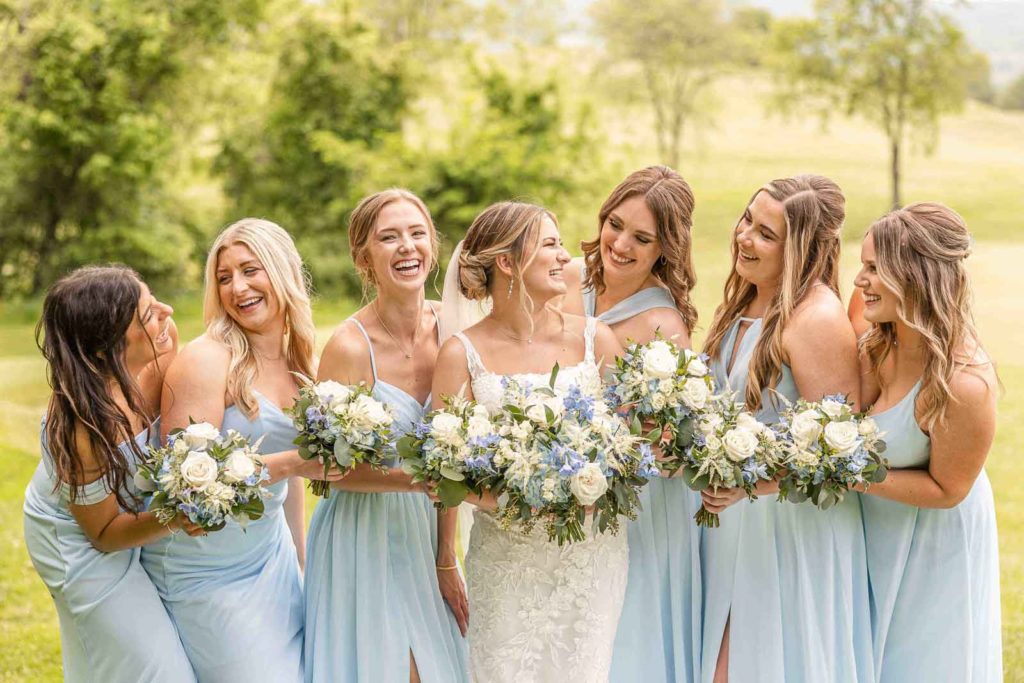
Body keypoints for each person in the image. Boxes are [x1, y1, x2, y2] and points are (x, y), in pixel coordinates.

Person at [432, 201, 625, 682]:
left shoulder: (595, 341)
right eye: (551, 245)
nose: (566, 257)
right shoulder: (462, 353)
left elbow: (631, 446)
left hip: (590, 555)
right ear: (507, 261)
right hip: (505, 559)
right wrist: (445, 557)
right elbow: (443, 471)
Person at [142, 218, 335, 682]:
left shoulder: (299, 361)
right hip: (205, 571)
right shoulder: (207, 360)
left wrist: (301, 562)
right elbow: (188, 483)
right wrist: (295, 462)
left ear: (283, 270)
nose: (238, 288)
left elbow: (287, 489)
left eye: (251, 270)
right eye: (224, 277)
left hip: (271, 559)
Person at [699, 175, 873, 683]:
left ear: (801, 248)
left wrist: (753, 483)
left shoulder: (815, 318)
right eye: (747, 219)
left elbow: (842, 456)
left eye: (766, 233)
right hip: (735, 525)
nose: (744, 236)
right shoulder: (750, 298)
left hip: (788, 533)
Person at [303, 189, 469, 683]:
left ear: (433, 248)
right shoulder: (349, 348)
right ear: (363, 258)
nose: (406, 247)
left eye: (417, 234)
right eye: (388, 238)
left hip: (427, 533)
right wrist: (419, 481)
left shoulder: (454, 328)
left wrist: (446, 556)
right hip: (362, 537)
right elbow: (326, 471)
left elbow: (457, 448)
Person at [24, 264, 200, 682]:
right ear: (105, 347)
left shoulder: (160, 348)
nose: (168, 312)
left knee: (113, 661)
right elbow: (102, 535)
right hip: (75, 541)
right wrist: (176, 517)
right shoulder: (82, 424)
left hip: (116, 517)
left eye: (154, 299)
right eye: (148, 314)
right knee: (156, 670)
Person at [561, 165, 701, 683]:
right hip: (561, 490)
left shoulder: (663, 326)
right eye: (615, 224)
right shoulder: (566, 279)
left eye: (642, 238)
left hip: (637, 508)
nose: (620, 244)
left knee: (624, 642)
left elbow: (670, 445)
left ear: (665, 249)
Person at [853, 202, 1001, 682]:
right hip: (878, 531)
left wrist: (852, 474)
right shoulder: (880, 339)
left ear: (913, 275)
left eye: (874, 268)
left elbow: (948, 490)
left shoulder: (964, 384)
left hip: (934, 548)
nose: (859, 281)